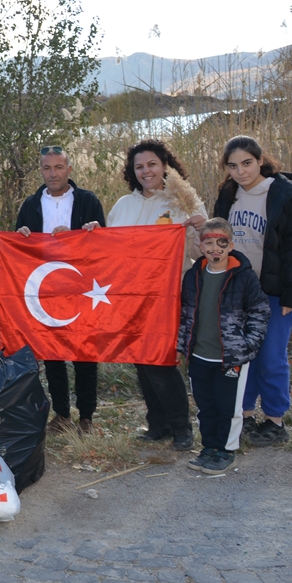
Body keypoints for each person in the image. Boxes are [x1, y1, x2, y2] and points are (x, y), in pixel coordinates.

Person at [212, 135, 292, 447]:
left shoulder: (284, 195)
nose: (240, 171)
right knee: (243, 356)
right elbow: (218, 239)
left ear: (260, 161)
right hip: (239, 289)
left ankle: (275, 420)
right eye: (233, 166)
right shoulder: (228, 194)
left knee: (270, 357)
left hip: (274, 290)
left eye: (246, 163)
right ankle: (245, 414)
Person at [107, 139, 206, 451]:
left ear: (165, 165)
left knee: (160, 362)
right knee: (140, 361)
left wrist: (198, 229)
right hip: (130, 299)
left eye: (151, 164)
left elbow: (199, 254)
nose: (145, 171)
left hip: (167, 297)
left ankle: (182, 428)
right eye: (139, 166)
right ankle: (158, 425)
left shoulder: (183, 202)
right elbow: (109, 252)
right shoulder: (123, 206)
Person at [15, 146, 107, 434]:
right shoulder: (30, 205)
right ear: (40, 170)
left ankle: (87, 416)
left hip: (82, 289)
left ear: (69, 169)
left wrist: (94, 231)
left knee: (84, 356)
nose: (52, 173)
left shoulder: (88, 201)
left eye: (58, 167)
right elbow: (19, 247)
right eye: (46, 168)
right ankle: (62, 413)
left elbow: (105, 245)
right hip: (46, 292)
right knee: (52, 354)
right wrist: (21, 237)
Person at [178, 218, 269, 474]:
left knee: (228, 406)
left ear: (231, 245)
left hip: (230, 357)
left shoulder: (244, 277)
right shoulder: (193, 276)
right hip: (199, 355)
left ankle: (226, 450)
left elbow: (260, 312)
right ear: (201, 245)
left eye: (221, 243)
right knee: (205, 405)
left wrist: (247, 345)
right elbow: (186, 313)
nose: (214, 248)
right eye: (208, 243)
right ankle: (209, 447)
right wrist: (181, 345)